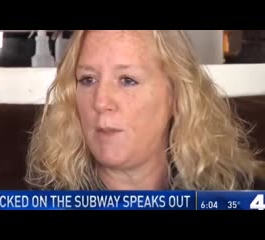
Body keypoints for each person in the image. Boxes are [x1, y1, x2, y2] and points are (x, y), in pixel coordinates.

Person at [25, 30, 265, 190]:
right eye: (88, 79)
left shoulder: (239, 193)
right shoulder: (46, 199)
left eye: (128, 80)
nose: (100, 102)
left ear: (175, 95)